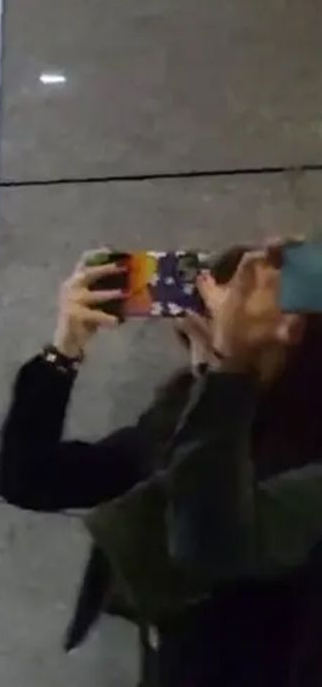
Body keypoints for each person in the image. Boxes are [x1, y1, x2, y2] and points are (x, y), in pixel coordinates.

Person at [0, 246, 247, 684]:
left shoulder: (300, 440)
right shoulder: (170, 423)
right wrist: (65, 348)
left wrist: (225, 377)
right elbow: (28, 478)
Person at [85, 245, 322, 687]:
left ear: (294, 328)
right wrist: (64, 349)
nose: (226, 305)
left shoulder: (300, 450)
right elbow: (31, 478)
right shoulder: (179, 411)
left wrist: (230, 369)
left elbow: (207, 545)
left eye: (255, 288)